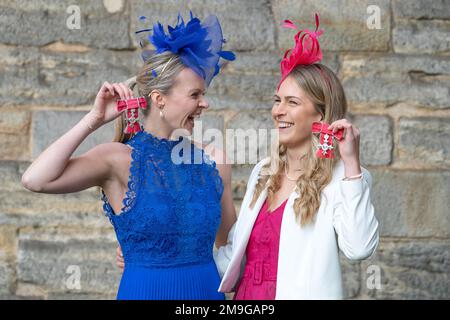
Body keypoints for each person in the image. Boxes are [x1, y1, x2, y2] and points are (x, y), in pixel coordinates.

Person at [21, 12, 236, 300]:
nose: (204, 103)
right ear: (160, 99)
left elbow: (231, 248)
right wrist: (94, 119)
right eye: (195, 94)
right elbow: (35, 180)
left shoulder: (214, 160)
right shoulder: (117, 159)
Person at [213, 14, 379, 299]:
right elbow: (233, 255)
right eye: (278, 100)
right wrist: (170, 265)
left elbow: (360, 247)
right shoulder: (263, 172)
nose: (279, 110)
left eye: (292, 102)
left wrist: (351, 163)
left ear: (320, 115)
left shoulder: (343, 178)